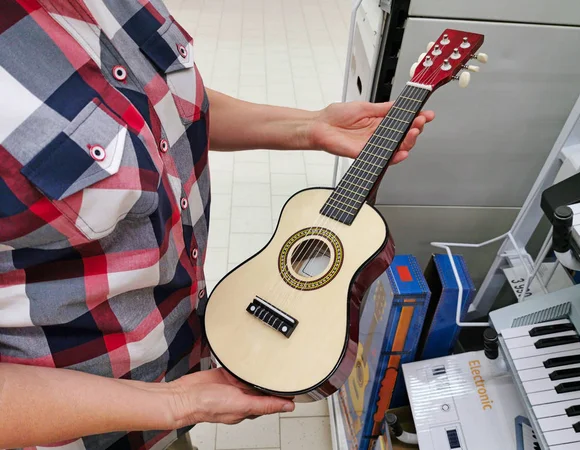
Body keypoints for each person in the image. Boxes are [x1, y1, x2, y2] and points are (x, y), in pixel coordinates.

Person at [0, 1, 434, 449]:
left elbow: (160, 111)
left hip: (181, 354)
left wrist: (310, 126)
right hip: (81, 429)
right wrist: (174, 405)